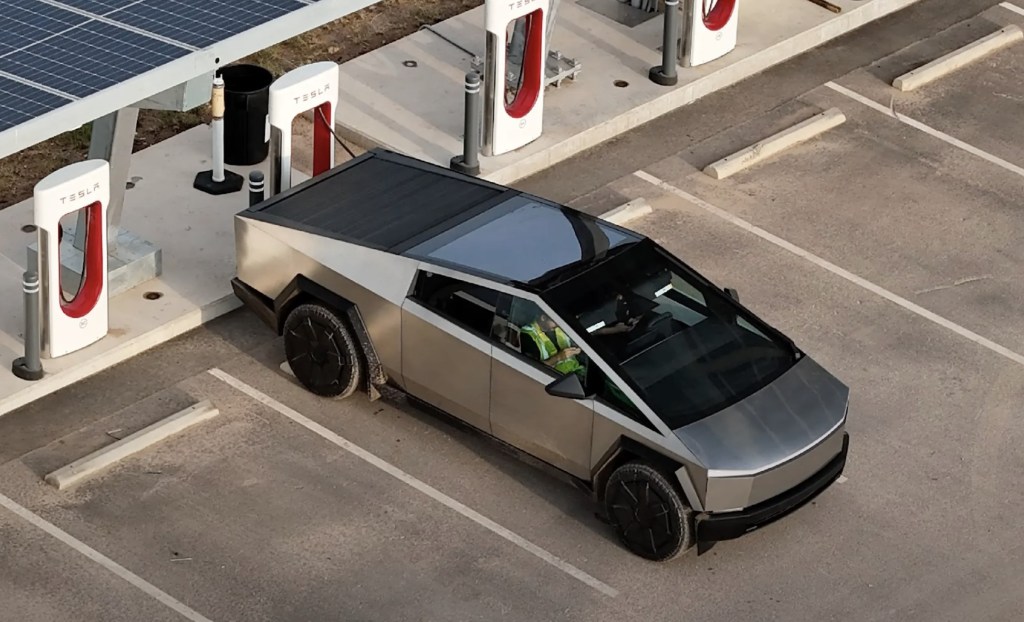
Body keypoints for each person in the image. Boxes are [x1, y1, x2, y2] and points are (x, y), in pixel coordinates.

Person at [520, 311, 585, 376]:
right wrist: (558, 357)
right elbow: (533, 370)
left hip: (577, 372)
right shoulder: (528, 335)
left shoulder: (558, 328)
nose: (558, 325)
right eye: (555, 321)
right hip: (556, 379)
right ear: (543, 318)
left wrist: (576, 347)